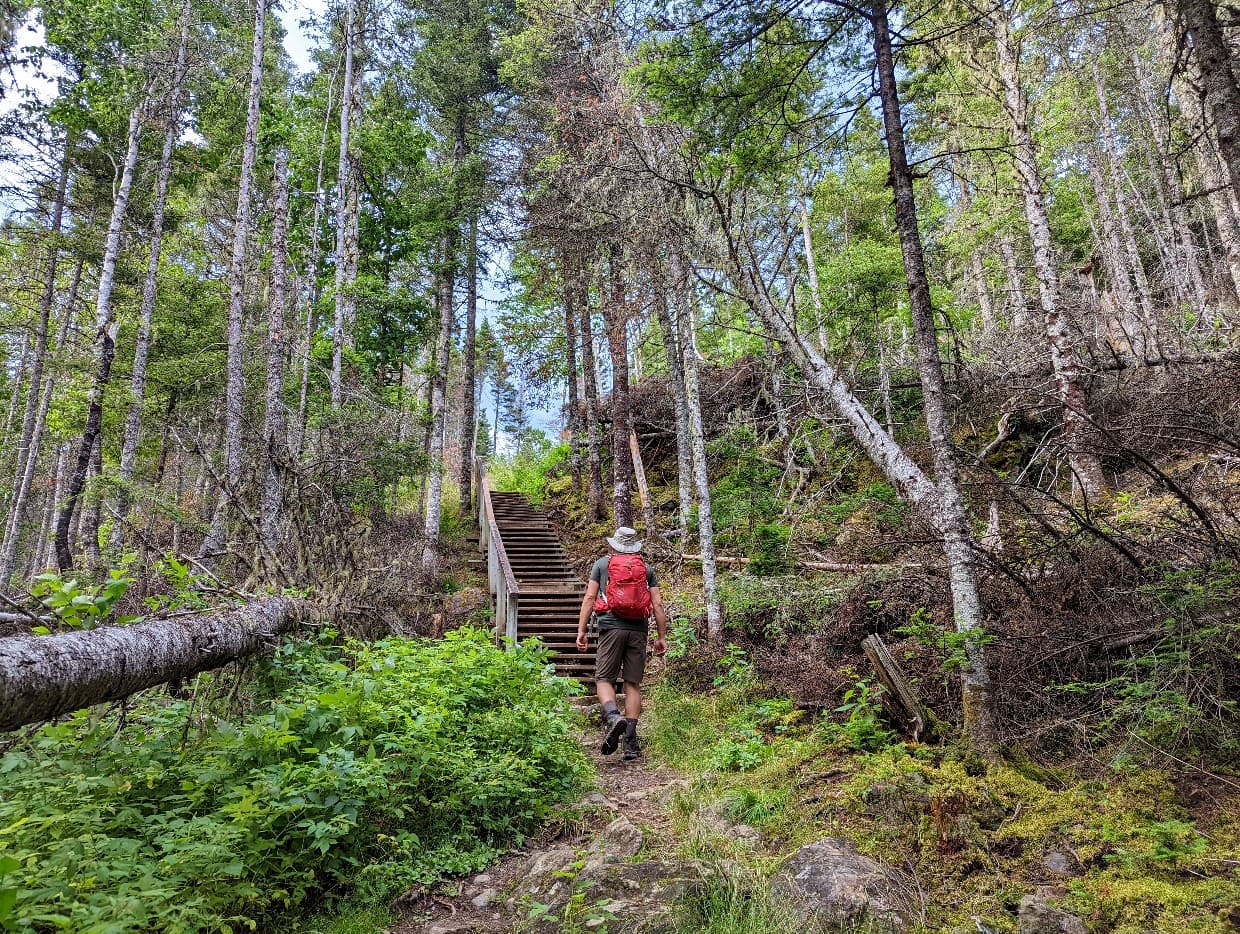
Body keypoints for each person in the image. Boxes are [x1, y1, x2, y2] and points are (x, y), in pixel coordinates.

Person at [575, 526, 668, 761]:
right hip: (638, 629)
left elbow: (589, 597)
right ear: (634, 546)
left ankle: (614, 716)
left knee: (604, 679)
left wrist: (582, 630)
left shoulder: (602, 565)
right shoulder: (646, 569)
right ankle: (630, 742)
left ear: (615, 545)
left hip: (610, 627)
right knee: (633, 684)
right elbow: (657, 604)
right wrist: (661, 636)